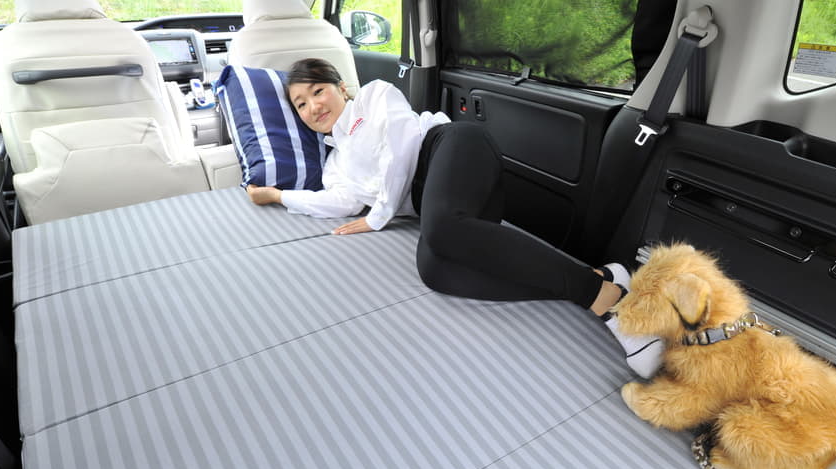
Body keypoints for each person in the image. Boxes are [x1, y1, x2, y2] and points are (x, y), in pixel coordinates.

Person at [247, 58, 661, 373]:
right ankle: (600, 278)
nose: (313, 106)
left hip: (452, 149)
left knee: (442, 229)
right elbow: (339, 202)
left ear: (341, 87)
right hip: (440, 204)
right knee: (434, 271)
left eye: (317, 91)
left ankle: (612, 304)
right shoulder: (334, 165)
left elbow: (401, 146)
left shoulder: (373, 96)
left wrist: (379, 216)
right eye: (300, 104)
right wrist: (279, 196)